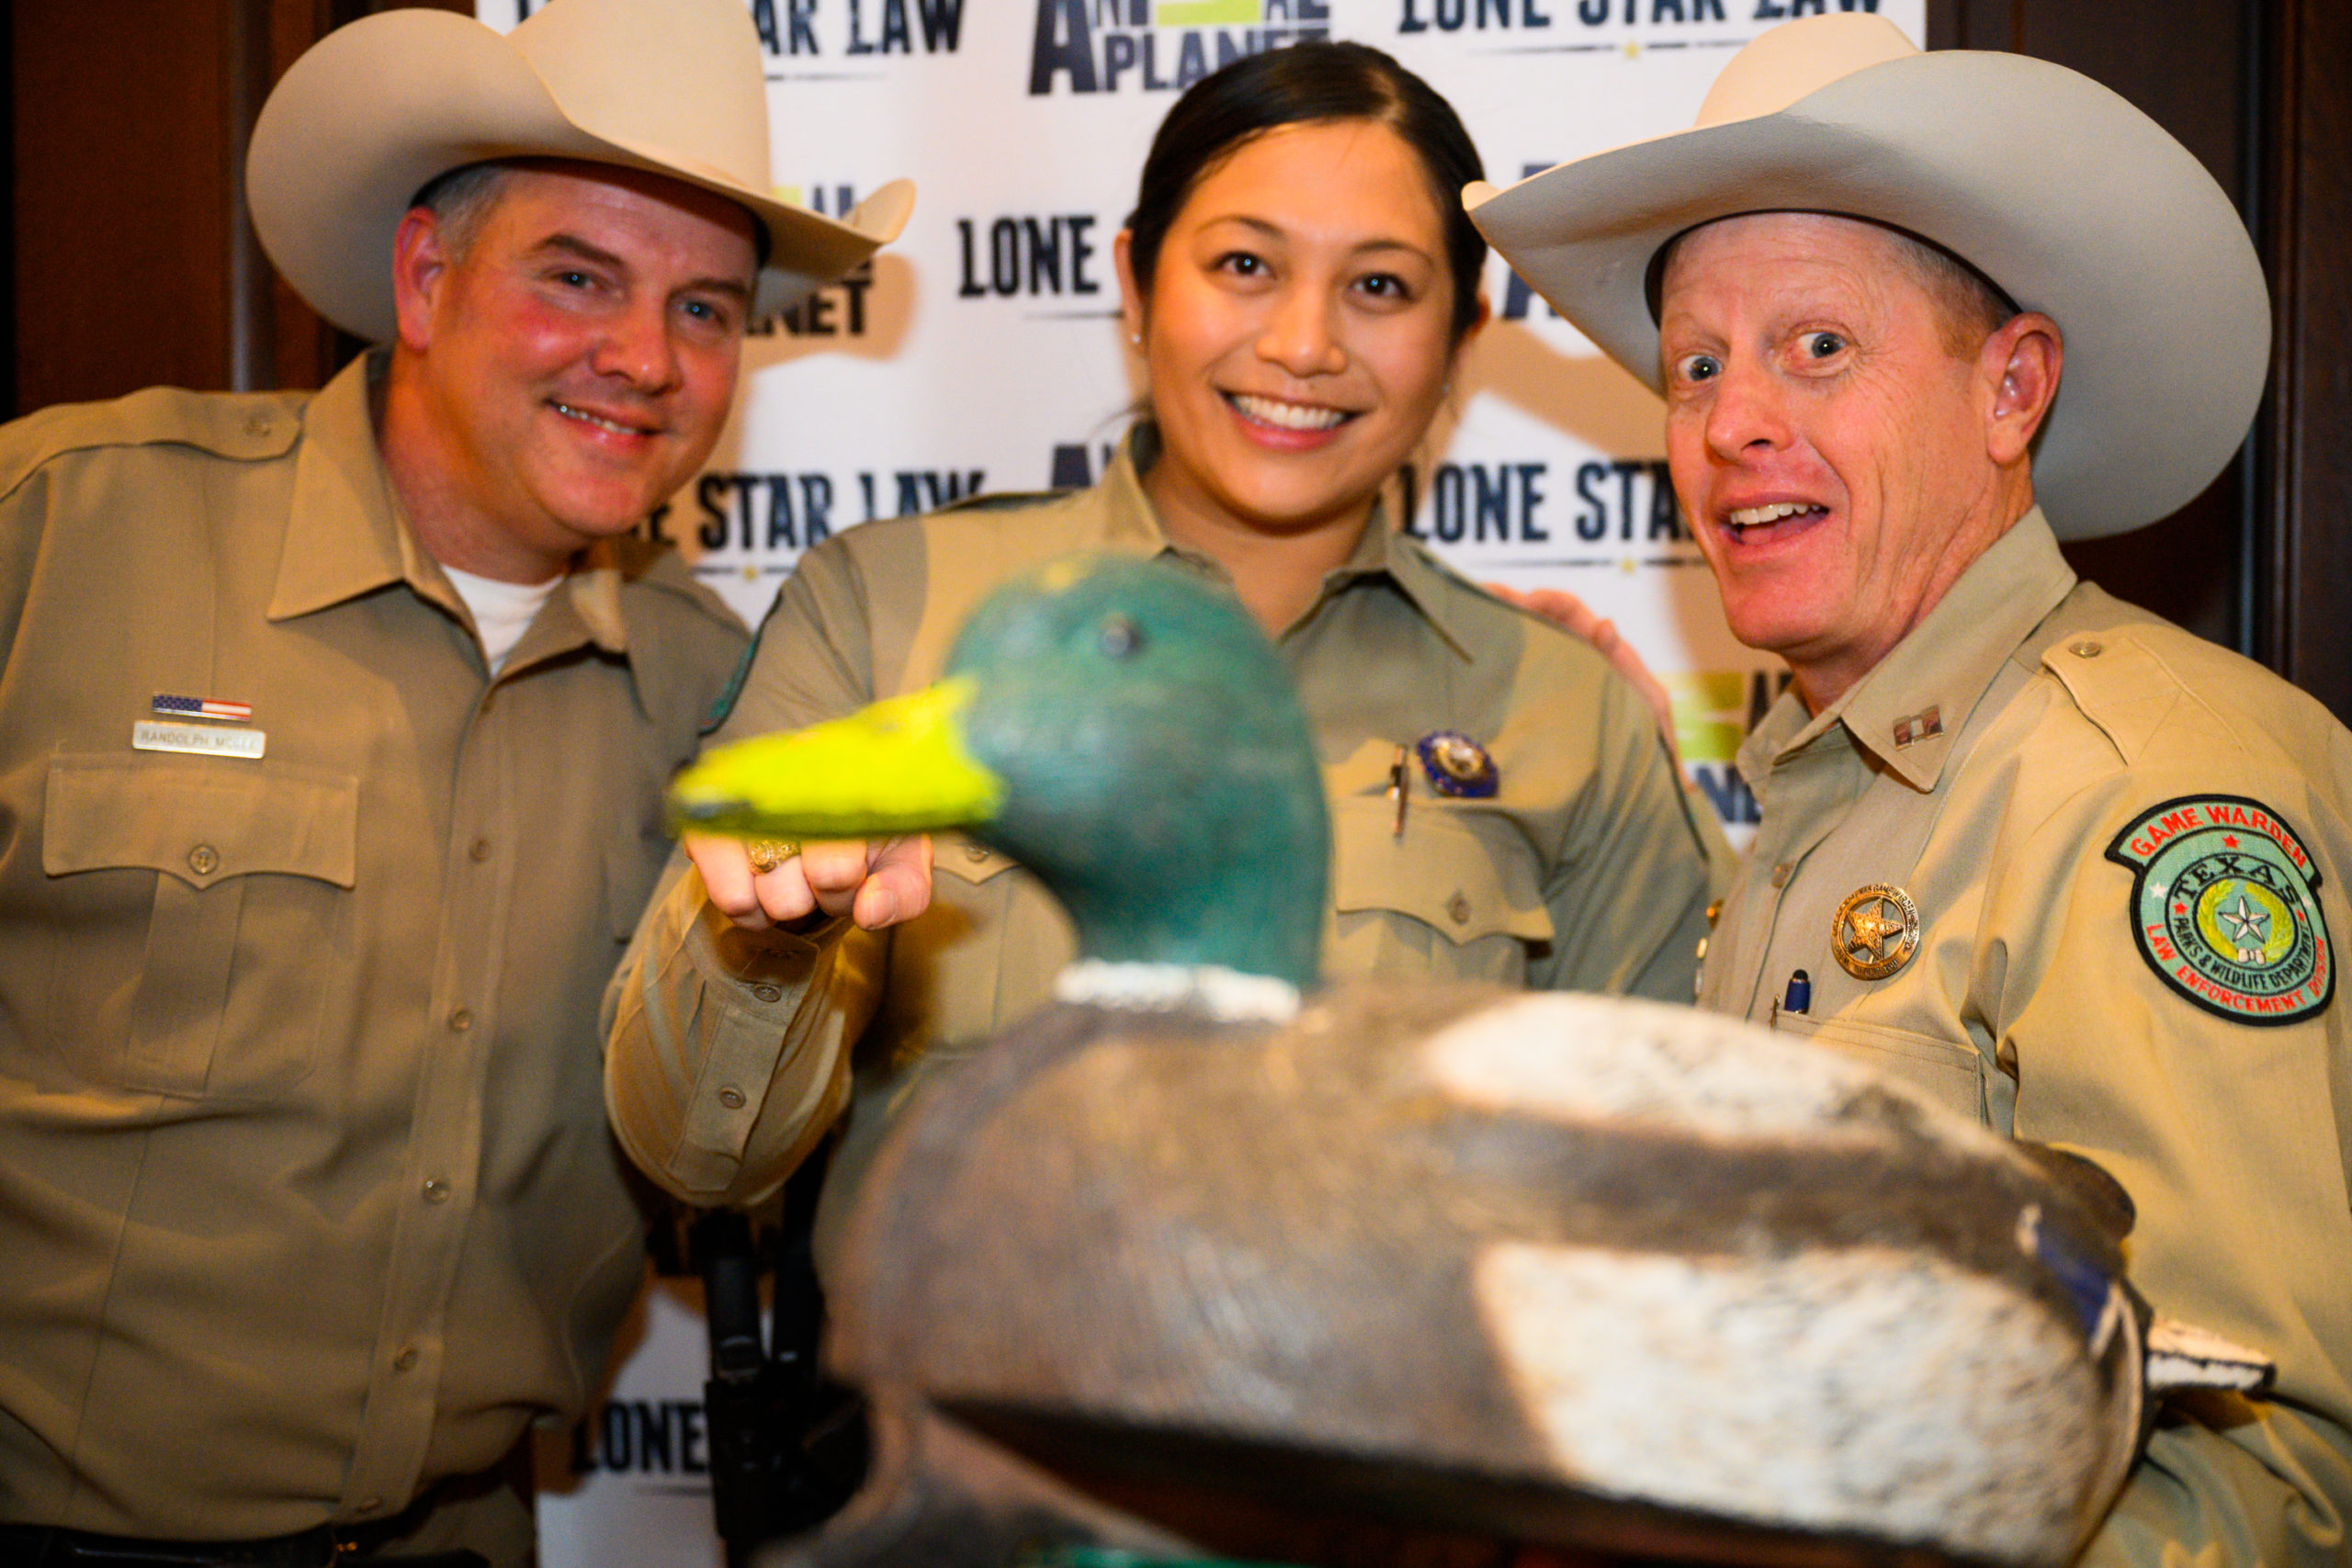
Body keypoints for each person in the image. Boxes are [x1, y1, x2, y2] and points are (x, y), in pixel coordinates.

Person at [0, 1, 910, 1563]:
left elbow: (715, 1158)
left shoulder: (721, 695)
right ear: (426, 278)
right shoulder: (62, 530)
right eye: (579, 278)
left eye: (704, 310)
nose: (644, 359)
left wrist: (785, 944)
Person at [1473, 14, 2351, 1565]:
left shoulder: (2145, 790)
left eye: (1818, 347)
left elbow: (2265, 1487)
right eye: (1696, 365)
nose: (1734, 422)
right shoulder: (1830, 796)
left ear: (2012, 391)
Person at [604, 42, 1721, 1252]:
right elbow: (693, 1159)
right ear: (1134, 284)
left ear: (1463, 333)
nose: (1303, 343)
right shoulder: (890, 612)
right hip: (959, 1425)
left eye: (1381, 288)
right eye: (1245, 264)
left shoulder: (1566, 707)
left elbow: (1646, 1206)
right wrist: (774, 937)